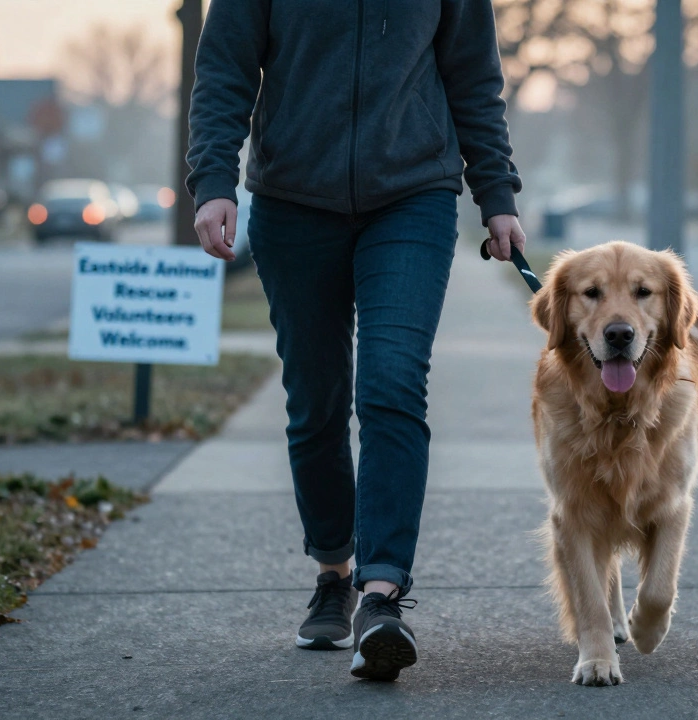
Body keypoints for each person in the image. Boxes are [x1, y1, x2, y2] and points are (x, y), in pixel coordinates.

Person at [185, 0, 525, 681]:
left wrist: (497, 194)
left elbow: (471, 78)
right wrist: (213, 181)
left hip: (412, 196)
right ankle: (333, 570)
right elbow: (224, 68)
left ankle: (380, 595)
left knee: (393, 381)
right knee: (316, 400)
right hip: (290, 201)